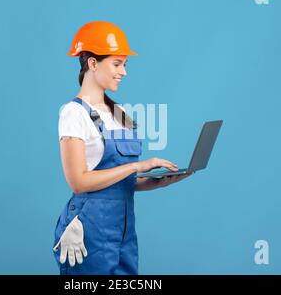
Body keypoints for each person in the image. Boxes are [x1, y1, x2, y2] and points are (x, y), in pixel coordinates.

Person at [53, 21, 192, 275]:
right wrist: (138, 165)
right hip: (90, 229)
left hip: (124, 228)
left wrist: (160, 181)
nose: (123, 72)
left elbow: (122, 181)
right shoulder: (73, 113)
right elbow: (79, 182)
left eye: (125, 65)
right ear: (93, 63)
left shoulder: (119, 114)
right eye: (117, 64)